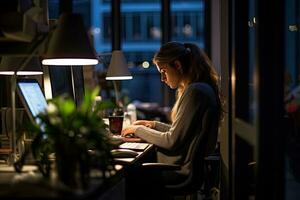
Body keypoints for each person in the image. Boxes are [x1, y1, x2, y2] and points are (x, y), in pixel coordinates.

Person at [121, 41, 223, 199]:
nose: (162, 78)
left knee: (124, 175)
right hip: (183, 167)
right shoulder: (199, 88)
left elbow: (172, 141)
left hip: (178, 171)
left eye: (163, 71)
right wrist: (153, 125)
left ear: (177, 65)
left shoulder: (195, 92)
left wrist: (138, 130)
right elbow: (179, 131)